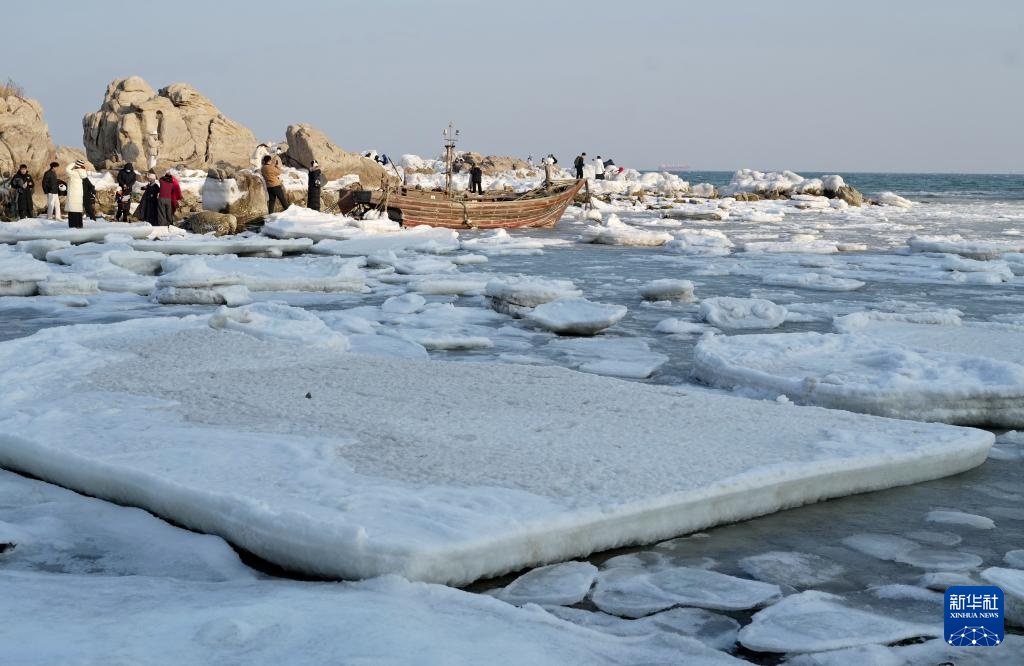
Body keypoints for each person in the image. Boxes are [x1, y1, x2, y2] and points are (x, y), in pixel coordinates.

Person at [65, 160, 88, 229]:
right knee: (78, 212)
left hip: (73, 195)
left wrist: (74, 163)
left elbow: (67, 169)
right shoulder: (82, 174)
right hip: (78, 196)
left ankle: (73, 226)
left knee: (72, 212)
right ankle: (79, 225)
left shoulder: (74, 173)